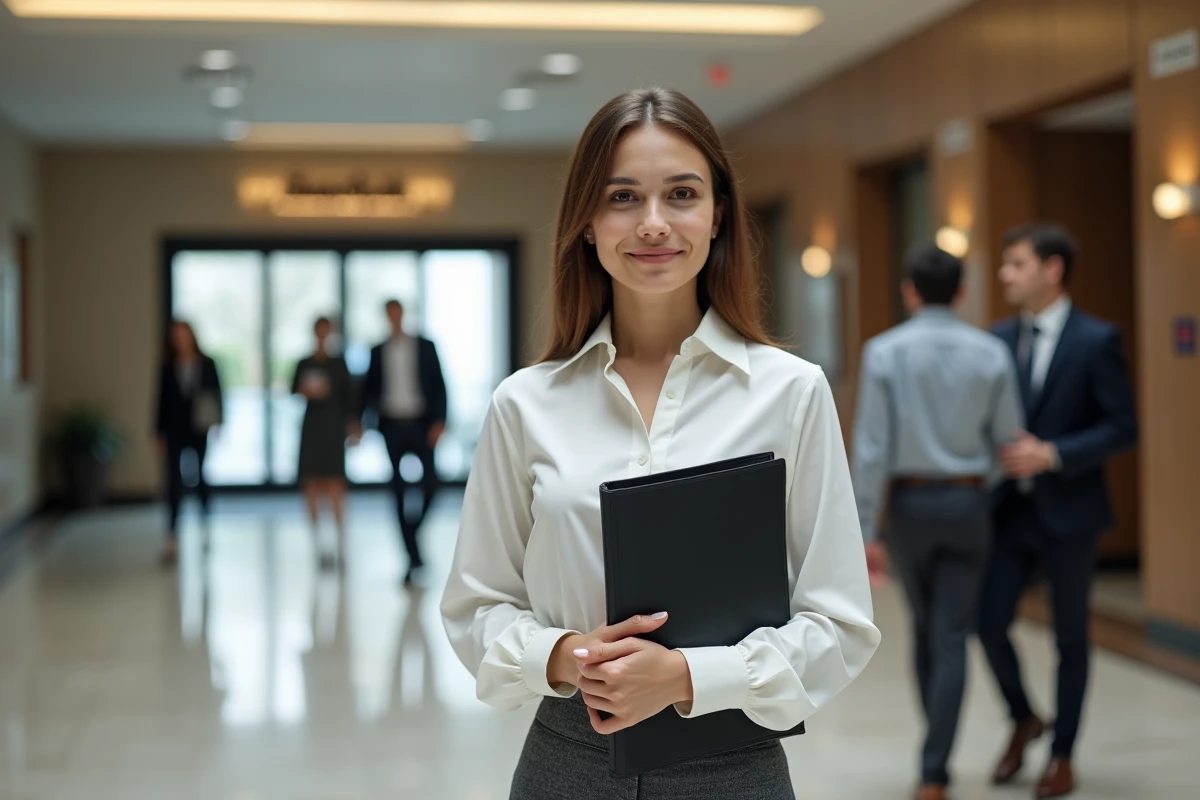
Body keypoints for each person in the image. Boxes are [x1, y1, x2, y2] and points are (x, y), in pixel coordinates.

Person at [440, 88, 880, 800]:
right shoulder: (525, 403)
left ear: (717, 215)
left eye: (681, 193)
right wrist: (567, 655)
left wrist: (685, 676)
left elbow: (840, 625)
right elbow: (475, 606)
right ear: (586, 222)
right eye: (621, 197)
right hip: (567, 761)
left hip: (737, 764)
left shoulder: (791, 393)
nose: (652, 224)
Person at [852, 244, 1022, 800]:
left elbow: (873, 448)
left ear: (909, 291)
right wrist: (976, 484)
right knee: (950, 635)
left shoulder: (884, 352)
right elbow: (1009, 443)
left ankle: (934, 767)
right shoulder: (992, 352)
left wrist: (865, 530)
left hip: (908, 509)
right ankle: (934, 765)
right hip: (969, 504)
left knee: (930, 631)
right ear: (963, 291)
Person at [978, 223, 1137, 798]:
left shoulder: (1097, 340)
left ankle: (1063, 754)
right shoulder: (996, 338)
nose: (1004, 275)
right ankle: (1024, 717)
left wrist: (1054, 454)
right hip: (1008, 513)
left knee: (1071, 638)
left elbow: (1124, 425)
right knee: (987, 622)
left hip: (1071, 514)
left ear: (1053, 270)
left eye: (1016, 264)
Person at [360, 299, 447, 586]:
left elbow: (439, 384)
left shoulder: (425, 346)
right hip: (392, 426)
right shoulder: (376, 350)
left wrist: (440, 421)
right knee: (398, 490)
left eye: (398, 313)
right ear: (386, 316)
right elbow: (368, 389)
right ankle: (412, 558)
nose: (394, 318)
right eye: (390, 314)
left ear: (403, 314)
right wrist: (359, 423)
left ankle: (412, 534)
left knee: (432, 484)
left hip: (422, 424)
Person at [154, 319, 223, 567]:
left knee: (200, 476)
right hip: (174, 430)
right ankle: (172, 537)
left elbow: (217, 393)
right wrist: (158, 432)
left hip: (199, 428)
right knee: (174, 481)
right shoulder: (168, 366)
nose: (180, 339)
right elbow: (160, 400)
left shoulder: (206, 363)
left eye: (183, 334)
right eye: (176, 335)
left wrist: (218, 422)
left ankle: (205, 525)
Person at [292, 316, 359, 571]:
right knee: (311, 482)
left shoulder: (339, 363)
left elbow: (350, 397)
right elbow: (293, 389)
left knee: (335, 484)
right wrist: (307, 391)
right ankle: (319, 547)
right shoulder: (304, 362)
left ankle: (341, 546)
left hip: (332, 428)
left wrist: (353, 426)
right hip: (312, 428)